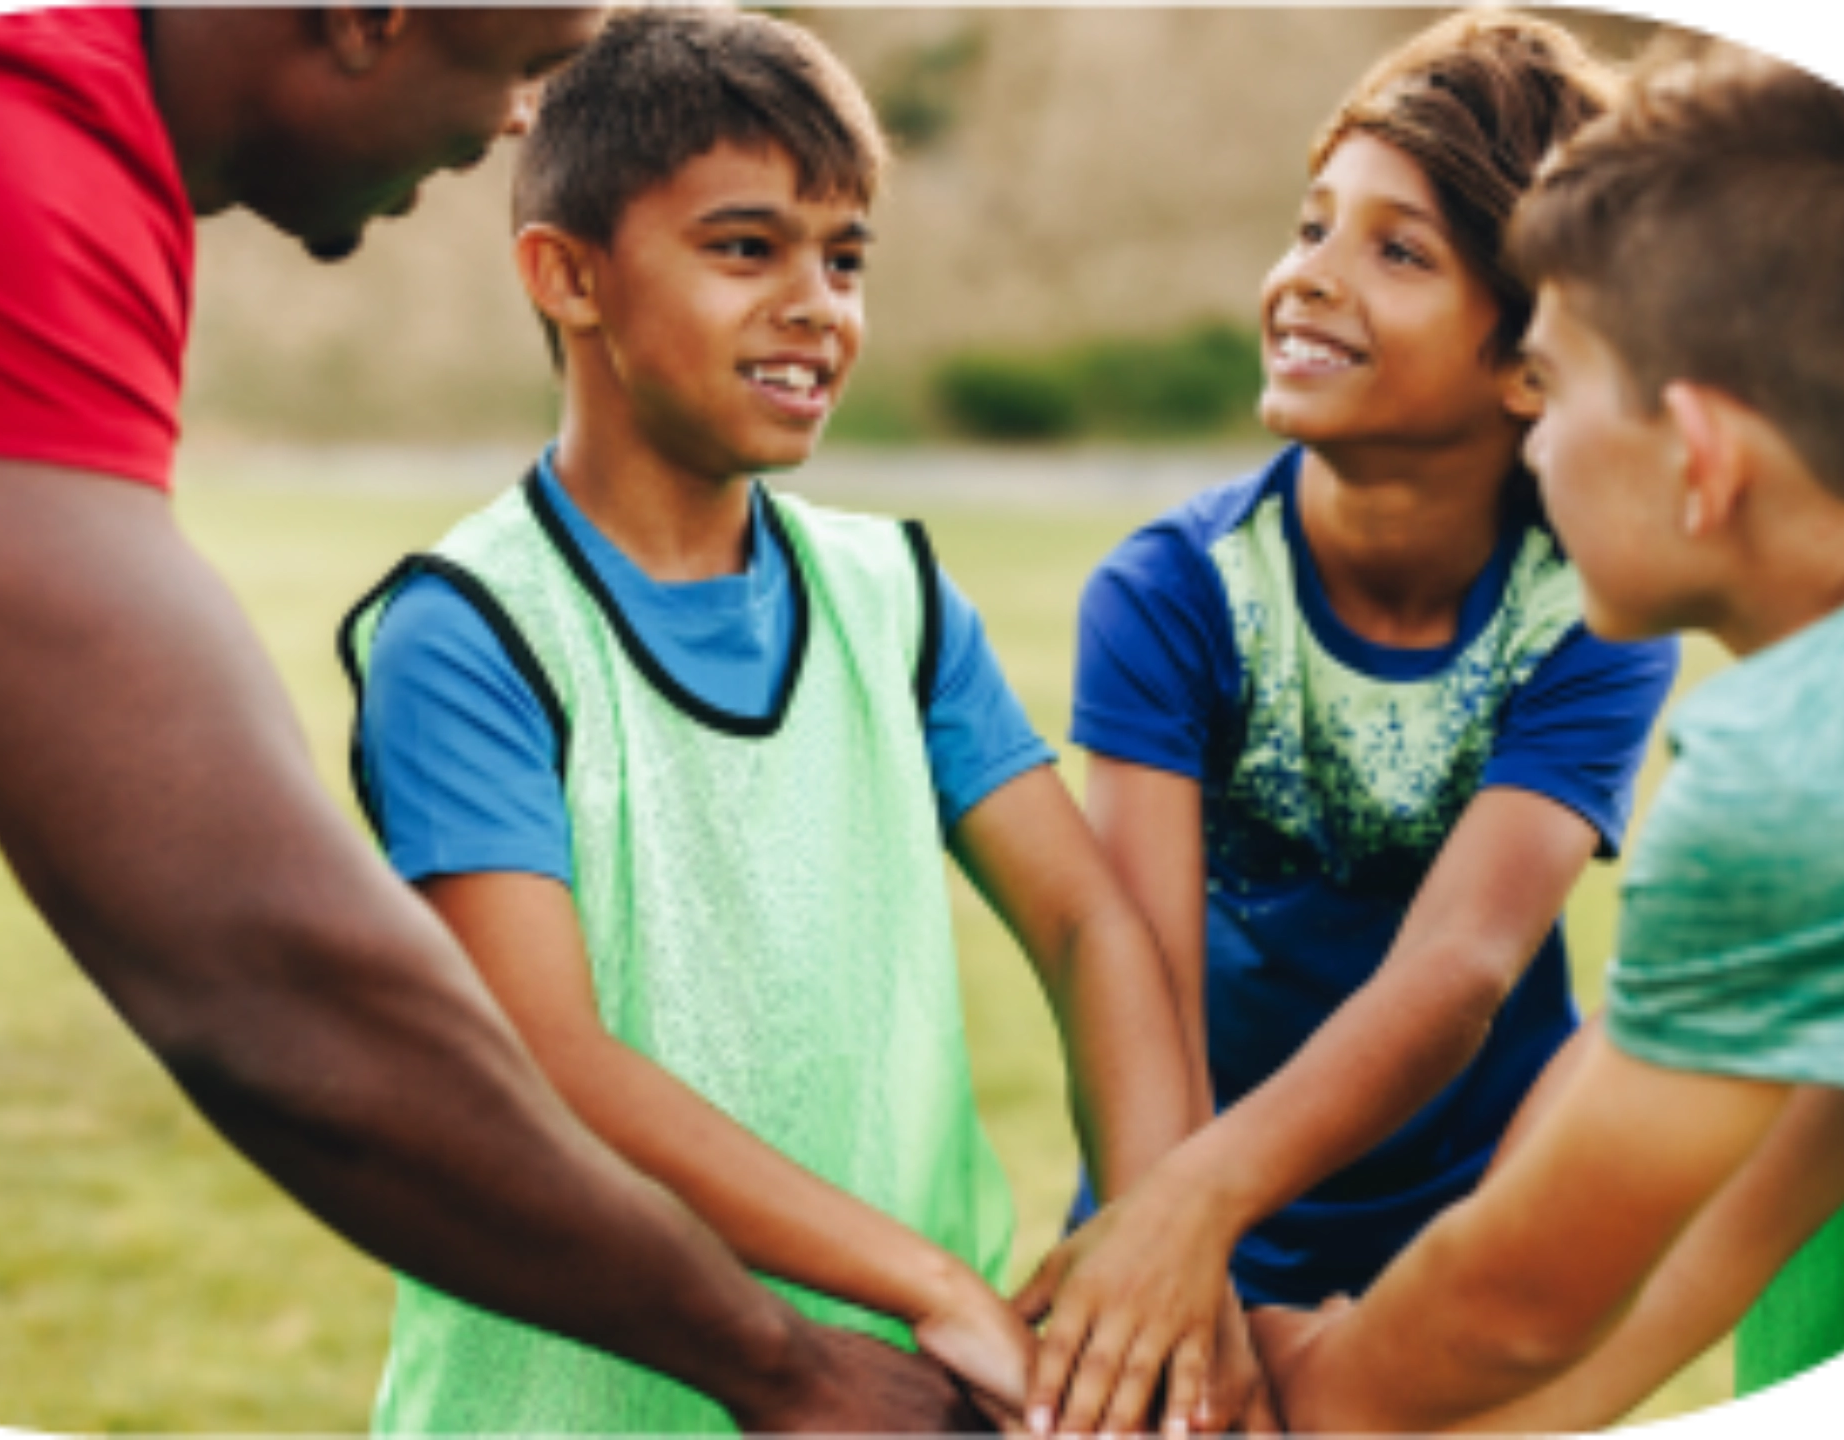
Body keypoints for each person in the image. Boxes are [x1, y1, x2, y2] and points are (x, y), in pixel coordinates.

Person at [0, 1, 1004, 1431]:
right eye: (521, 64)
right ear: (365, 17)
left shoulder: (20, 140)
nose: (513, 118)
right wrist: (788, 1372)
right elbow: (248, 951)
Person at [339, 4, 1202, 1434]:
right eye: (747, 249)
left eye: (845, 256)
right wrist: (929, 1278)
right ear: (569, 278)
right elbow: (553, 1064)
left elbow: (1087, 925)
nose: (819, 304)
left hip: (909, 1404)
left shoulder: (897, 599)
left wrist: (1155, 1237)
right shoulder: (471, 630)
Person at [1246, 47, 1844, 1439]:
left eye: (1556, 387)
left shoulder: (1816, 766)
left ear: (1698, 457)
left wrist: (1296, 1392)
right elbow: (1714, 1243)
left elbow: (1515, 1303)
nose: (1535, 447)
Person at [1016, 9, 1676, 1436]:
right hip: (1180, 1187)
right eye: (1312, 225)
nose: (1310, 279)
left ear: (1532, 359)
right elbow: (1139, 980)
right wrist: (1179, 1259)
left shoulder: (1595, 610)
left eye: (1398, 251)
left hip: (1469, 1242)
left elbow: (1461, 971)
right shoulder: (1175, 593)